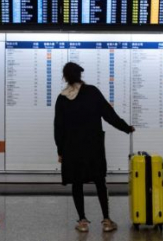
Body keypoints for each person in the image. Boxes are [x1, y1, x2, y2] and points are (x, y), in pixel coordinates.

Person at [54, 62, 135, 232]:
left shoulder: (62, 98)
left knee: (77, 183)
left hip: (72, 148)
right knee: (99, 181)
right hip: (93, 146)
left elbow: (58, 127)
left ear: (65, 77)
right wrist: (126, 127)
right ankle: (106, 221)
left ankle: (82, 222)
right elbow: (108, 114)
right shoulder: (92, 92)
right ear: (80, 75)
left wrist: (60, 150)